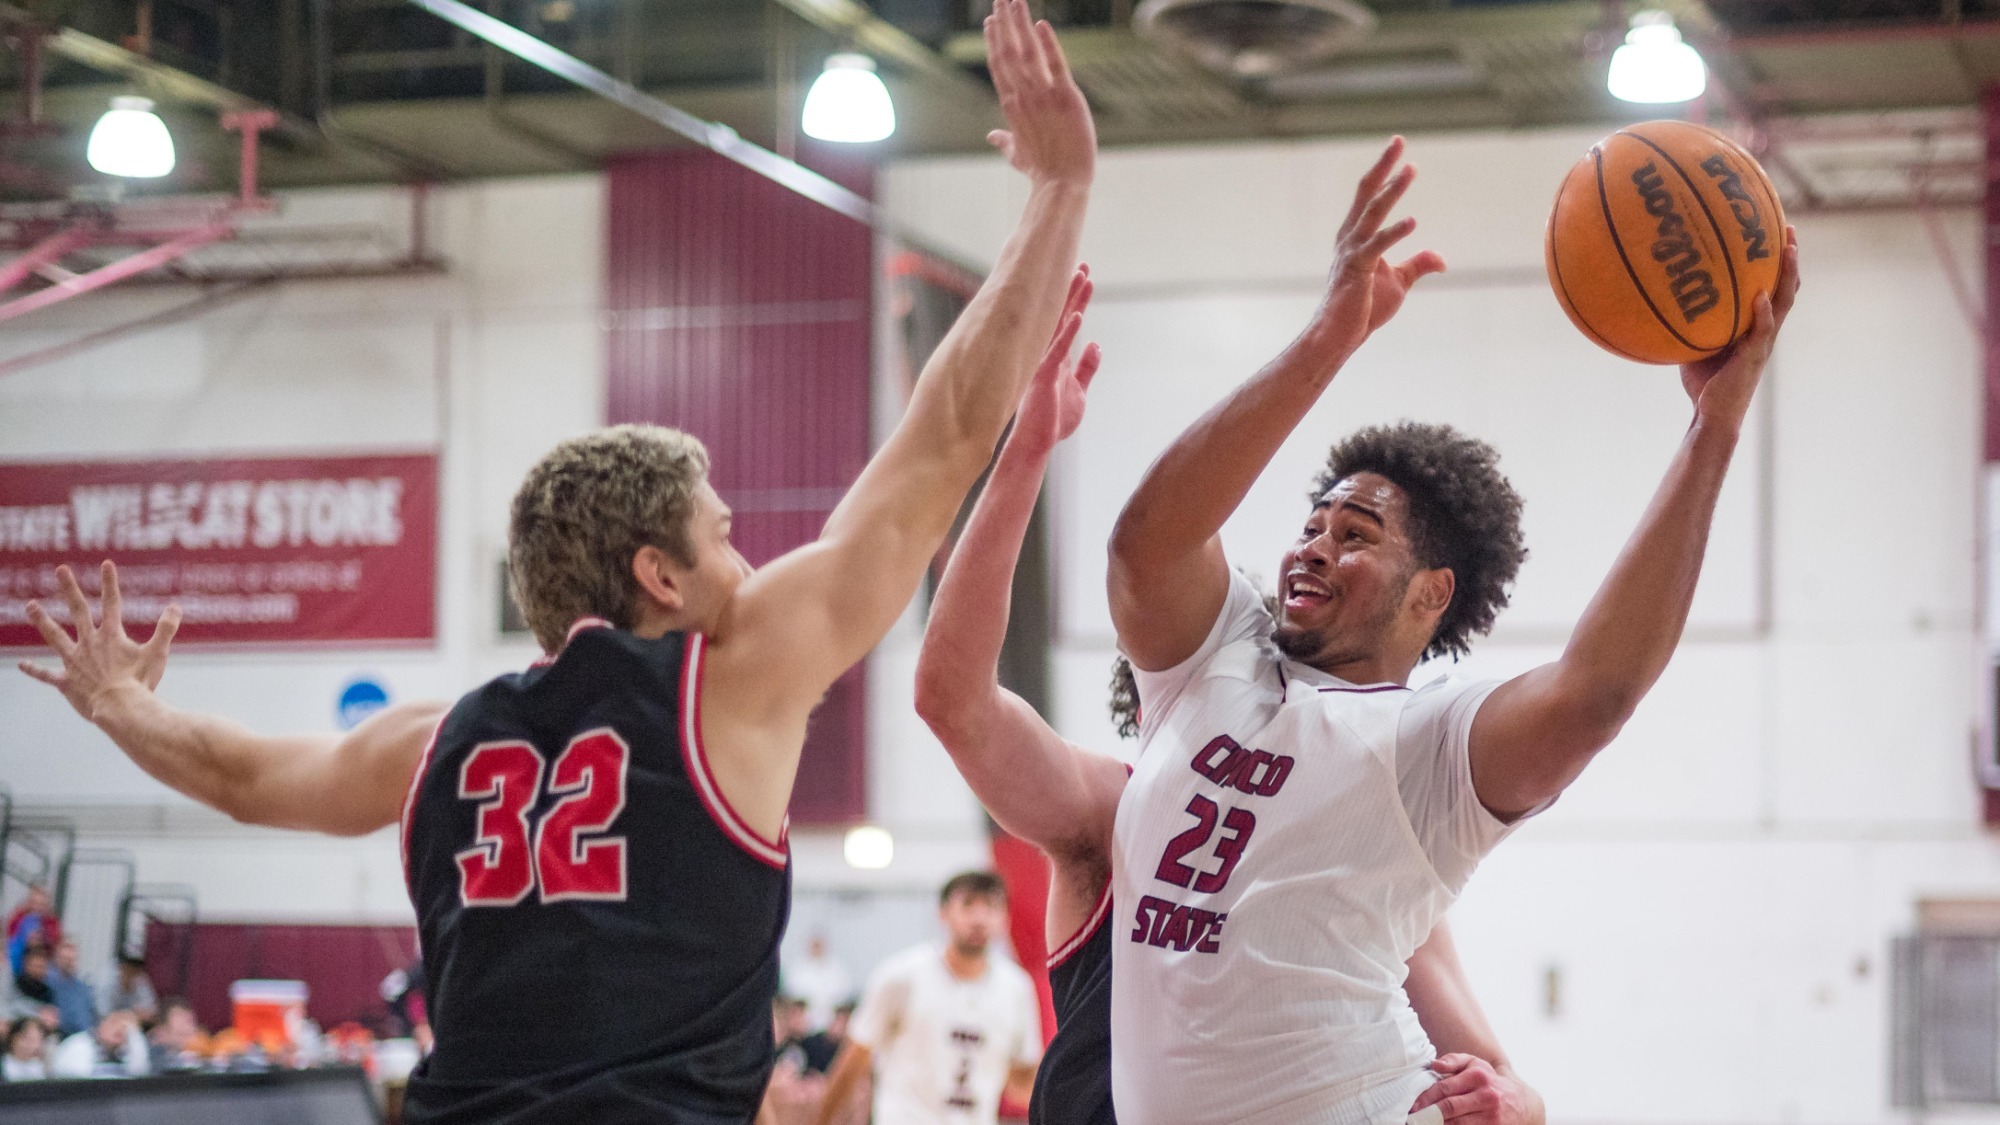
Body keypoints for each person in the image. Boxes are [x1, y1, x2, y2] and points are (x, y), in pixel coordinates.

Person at [15, 3, 1095, 1120]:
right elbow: (943, 440)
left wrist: (119, 708)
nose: (746, 556)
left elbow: (241, 776)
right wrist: (1058, 191)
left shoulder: (436, 741)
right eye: (722, 534)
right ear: (657, 577)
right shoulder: (726, 685)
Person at [1101, 137, 1800, 1124]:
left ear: (1429, 592)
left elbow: (1592, 692)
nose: (1309, 549)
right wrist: (1326, 338)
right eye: (1308, 525)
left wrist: (1712, 430)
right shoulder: (1208, 662)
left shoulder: (1423, 750)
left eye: (1352, 536)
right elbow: (1145, 544)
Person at [912, 273, 1543, 1125]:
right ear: (1154, 708)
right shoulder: (1110, 810)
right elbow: (954, 700)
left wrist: (1521, 1100)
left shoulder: (1364, 835)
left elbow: (1488, 1069)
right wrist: (1026, 453)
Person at [814, 873, 1040, 1125]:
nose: (979, 918)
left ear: (1005, 919)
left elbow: (1022, 1080)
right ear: (943, 913)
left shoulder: (1017, 988)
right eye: (967, 905)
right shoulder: (901, 977)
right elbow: (852, 1063)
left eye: (990, 906)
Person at [50, 1007, 150, 1079]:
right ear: (101, 1025)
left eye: (125, 1027)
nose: (120, 1028)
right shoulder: (78, 1045)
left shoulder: (128, 1049)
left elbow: (140, 1072)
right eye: (114, 1022)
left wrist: (135, 1036)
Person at [783, 934, 851, 1034]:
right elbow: (793, 998)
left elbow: (843, 998)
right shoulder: (798, 969)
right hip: (803, 1026)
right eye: (814, 945)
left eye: (819, 945)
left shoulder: (836, 970)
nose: (816, 948)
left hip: (830, 1026)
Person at [4, 884, 59, 976]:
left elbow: (54, 946)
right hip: (18, 963)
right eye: (35, 903)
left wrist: (44, 939)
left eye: (42, 904)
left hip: (44, 967)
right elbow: (11, 942)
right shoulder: (19, 919)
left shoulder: (52, 924)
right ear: (29, 903)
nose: (38, 908)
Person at [47, 939, 99, 1037]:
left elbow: (91, 1015)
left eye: (72, 959)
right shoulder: (48, 984)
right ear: (57, 959)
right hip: (61, 1035)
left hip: (85, 1037)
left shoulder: (82, 987)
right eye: (65, 959)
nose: (69, 963)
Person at [102, 955, 158, 1027]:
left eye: (136, 967)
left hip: (130, 1026)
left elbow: (151, 1014)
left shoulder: (140, 979)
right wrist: (132, 1014)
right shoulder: (106, 981)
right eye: (129, 966)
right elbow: (103, 1017)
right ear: (121, 966)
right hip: (102, 1028)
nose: (133, 971)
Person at [9, 945, 56, 1028]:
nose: (40, 971)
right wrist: (39, 1013)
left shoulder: (47, 991)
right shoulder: (15, 984)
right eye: (37, 966)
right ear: (27, 965)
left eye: (42, 967)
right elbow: (13, 1006)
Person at [2, 1017, 48, 1082]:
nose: (37, 1046)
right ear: (16, 1039)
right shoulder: (4, 1066)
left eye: (39, 1040)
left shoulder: (39, 1066)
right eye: (31, 1040)